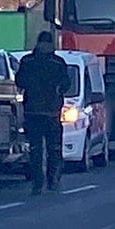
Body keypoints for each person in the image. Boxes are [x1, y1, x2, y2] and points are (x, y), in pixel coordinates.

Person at [15, 31, 71, 195]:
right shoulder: (57, 62)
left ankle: (40, 183)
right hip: (49, 112)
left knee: (36, 149)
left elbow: (20, 81)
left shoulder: (28, 61)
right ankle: (51, 181)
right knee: (51, 148)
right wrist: (57, 90)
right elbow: (66, 83)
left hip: (34, 111)